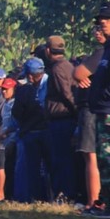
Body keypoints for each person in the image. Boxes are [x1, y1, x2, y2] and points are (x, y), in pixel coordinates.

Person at [89, 1, 110, 213]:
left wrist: (105, 97)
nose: (102, 24)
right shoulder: (109, 47)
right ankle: (108, 200)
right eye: (101, 21)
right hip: (104, 110)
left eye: (107, 20)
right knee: (104, 158)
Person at [74, 25, 105, 212]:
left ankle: (93, 201)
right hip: (100, 107)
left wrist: (78, 74)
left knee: (91, 157)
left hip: (92, 107)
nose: (97, 32)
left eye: (101, 28)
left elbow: (78, 73)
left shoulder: (103, 53)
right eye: (95, 28)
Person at [12, 57, 52, 203]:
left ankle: (32, 198)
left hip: (30, 134)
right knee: (48, 167)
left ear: (29, 75)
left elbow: (16, 112)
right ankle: (48, 197)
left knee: (30, 169)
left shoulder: (23, 91)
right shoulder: (50, 84)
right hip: (48, 131)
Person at [44, 35, 78, 201]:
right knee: (65, 159)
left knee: (60, 159)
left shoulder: (57, 69)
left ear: (48, 51)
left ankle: (64, 194)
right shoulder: (68, 66)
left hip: (61, 120)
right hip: (66, 119)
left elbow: (66, 94)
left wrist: (75, 112)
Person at [0, 78, 18, 202]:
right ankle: (7, 194)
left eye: (7, 89)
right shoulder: (6, 104)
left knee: (9, 167)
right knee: (6, 167)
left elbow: (16, 123)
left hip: (13, 139)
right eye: (3, 89)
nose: (4, 92)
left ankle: (8, 194)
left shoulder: (15, 103)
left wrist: (6, 132)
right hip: (5, 140)